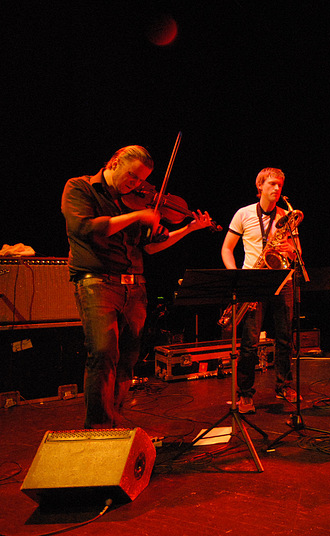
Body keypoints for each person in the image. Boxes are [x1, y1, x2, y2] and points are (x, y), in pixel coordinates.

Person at [62, 145, 214, 429]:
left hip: (135, 286)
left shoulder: (136, 201)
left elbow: (152, 247)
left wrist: (188, 229)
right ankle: (98, 428)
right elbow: (84, 228)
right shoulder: (80, 188)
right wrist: (135, 217)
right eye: (132, 177)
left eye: (141, 181)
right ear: (115, 162)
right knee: (103, 352)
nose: (135, 185)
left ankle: (115, 421)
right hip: (97, 282)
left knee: (128, 358)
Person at [221, 167, 300, 414]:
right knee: (249, 343)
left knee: (286, 338)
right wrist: (237, 277)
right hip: (253, 280)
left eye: (280, 185)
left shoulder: (285, 216)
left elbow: (299, 253)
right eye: (272, 184)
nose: (277, 189)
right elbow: (226, 249)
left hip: (282, 281)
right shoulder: (243, 214)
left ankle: (284, 385)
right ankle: (244, 393)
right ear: (260, 187)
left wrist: (290, 249)